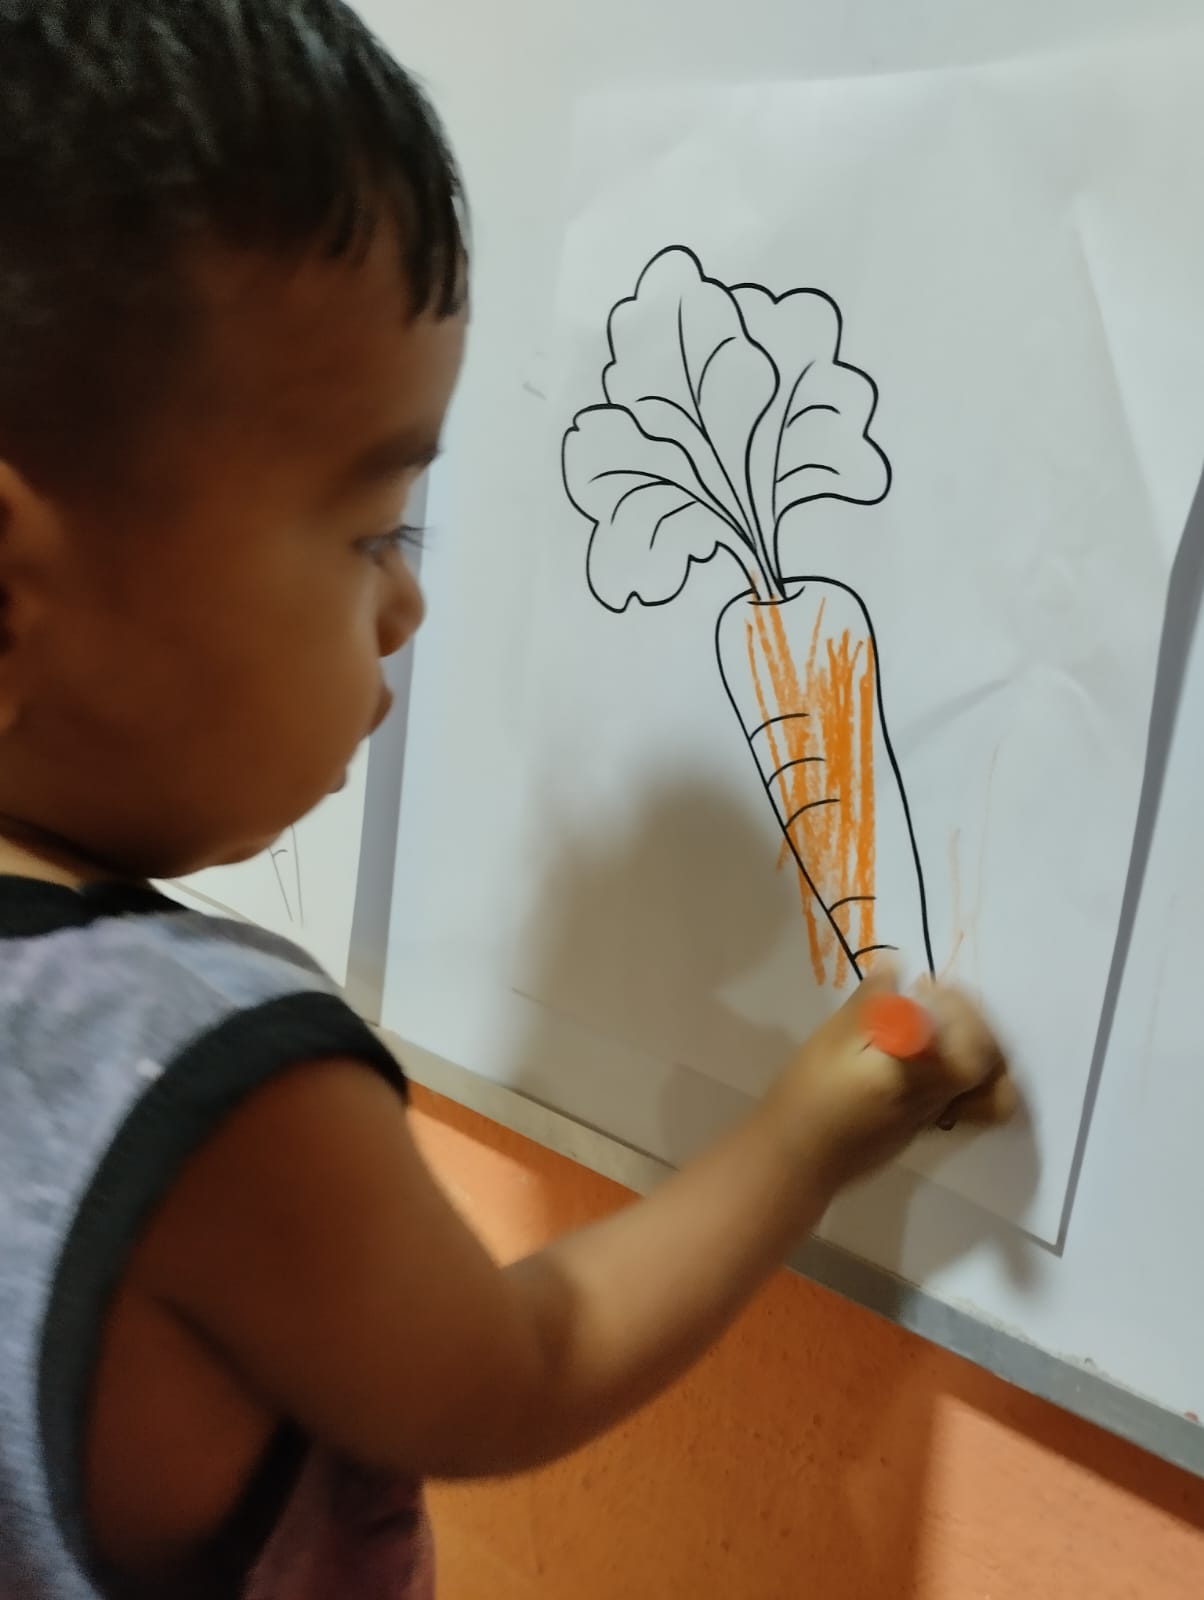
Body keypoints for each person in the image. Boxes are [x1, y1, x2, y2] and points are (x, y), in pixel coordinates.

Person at [0, 4, 1015, 1596]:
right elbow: (517, 1371)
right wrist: (813, 1131)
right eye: (371, 531)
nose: (407, 605)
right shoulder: (213, 1079)